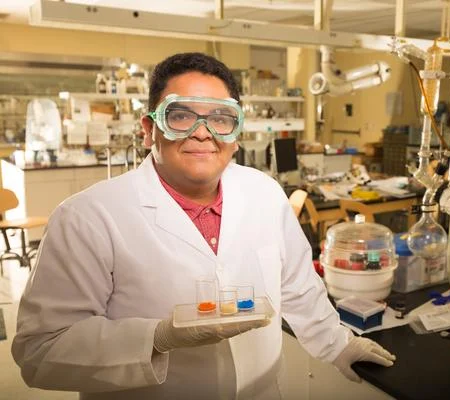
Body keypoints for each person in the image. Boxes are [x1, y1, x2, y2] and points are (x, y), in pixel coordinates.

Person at [12, 52, 395, 399]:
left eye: (220, 118)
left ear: (236, 132)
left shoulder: (264, 193)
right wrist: (156, 338)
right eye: (180, 116)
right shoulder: (88, 218)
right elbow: (41, 349)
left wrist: (337, 344)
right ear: (149, 129)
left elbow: (296, 287)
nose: (202, 132)